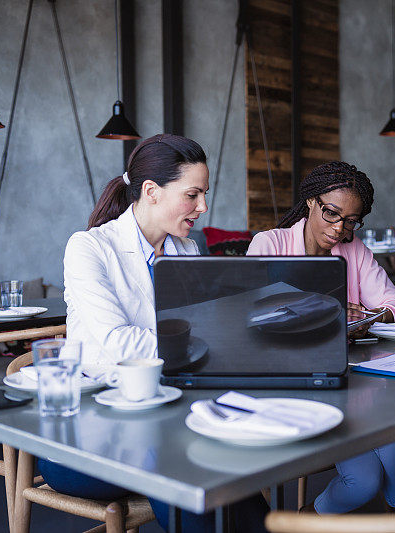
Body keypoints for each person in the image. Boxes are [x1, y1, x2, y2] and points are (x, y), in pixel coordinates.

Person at [53, 134, 269, 532]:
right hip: (89, 432)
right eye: (193, 194)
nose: (203, 207)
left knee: (232, 471)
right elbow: (121, 344)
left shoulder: (186, 250)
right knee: (185, 467)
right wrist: (206, 341)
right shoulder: (89, 248)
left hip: (169, 411)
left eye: (204, 193)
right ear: (151, 191)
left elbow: (207, 328)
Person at [247, 161, 395, 514]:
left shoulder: (353, 249)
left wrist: (371, 316)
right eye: (332, 214)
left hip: (347, 377)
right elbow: (255, 319)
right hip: (291, 381)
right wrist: (328, 311)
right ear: (310, 202)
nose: (340, 229)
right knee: (368, 475)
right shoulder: (270, 244)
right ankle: (311, 519)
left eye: (351, 221)